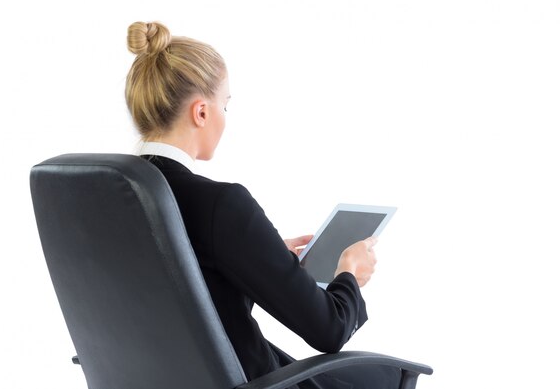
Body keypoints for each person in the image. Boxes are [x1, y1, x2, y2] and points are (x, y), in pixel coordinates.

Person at [125, 21, 400, 388]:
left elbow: (172, 289)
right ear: (201, 113)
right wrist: (349, 275)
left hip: (153, 378)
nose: (225, 117)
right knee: (388, 377)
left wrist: (248, 255)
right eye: (226, 105)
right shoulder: (220, 205)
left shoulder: (108, 197)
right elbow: (329, 330)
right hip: (246, 380)